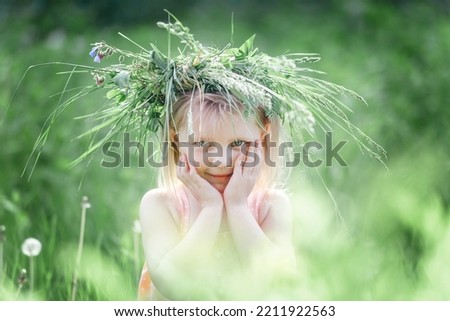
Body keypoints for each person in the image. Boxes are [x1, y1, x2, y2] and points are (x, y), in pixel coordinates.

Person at [138, 91, 296, 300]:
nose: (221, 160)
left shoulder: (271, 206)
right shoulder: (161, 205)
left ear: (262, 136)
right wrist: (211, 209)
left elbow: (278, 283)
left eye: (238, 143)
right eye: (202, 144)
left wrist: (238, 207)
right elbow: (172, 283)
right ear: (176, 140)